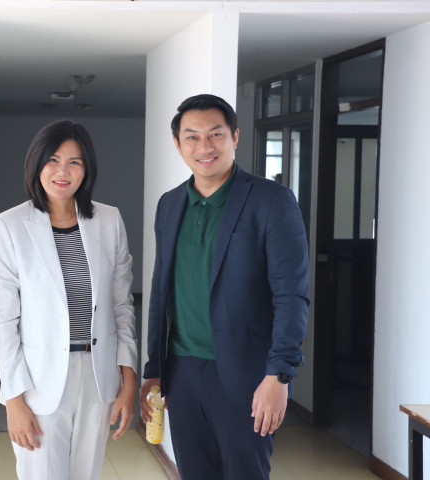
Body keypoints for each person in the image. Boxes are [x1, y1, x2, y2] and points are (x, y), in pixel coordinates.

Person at [139, 94, 309, 480]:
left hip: (247, 373)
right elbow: (161, 290)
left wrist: (279, 375)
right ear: (178, 144)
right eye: (192, 137)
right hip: (182, 371)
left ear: (234, 137)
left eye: (215, 134)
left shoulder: (272, 201)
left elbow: (292, 295)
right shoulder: (170, 204)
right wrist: (155, 367)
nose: (205, 147)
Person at [0, 119, 138, 480]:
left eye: (74, 162)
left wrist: (129, 382)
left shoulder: (109, 220)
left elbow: (122, 306)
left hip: (98, 377)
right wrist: (13, 399)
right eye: (53, 160)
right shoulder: (9, 226)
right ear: (36, 164)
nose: (62, 172)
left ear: (87, 168)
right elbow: (4, 321)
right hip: (39, 381)